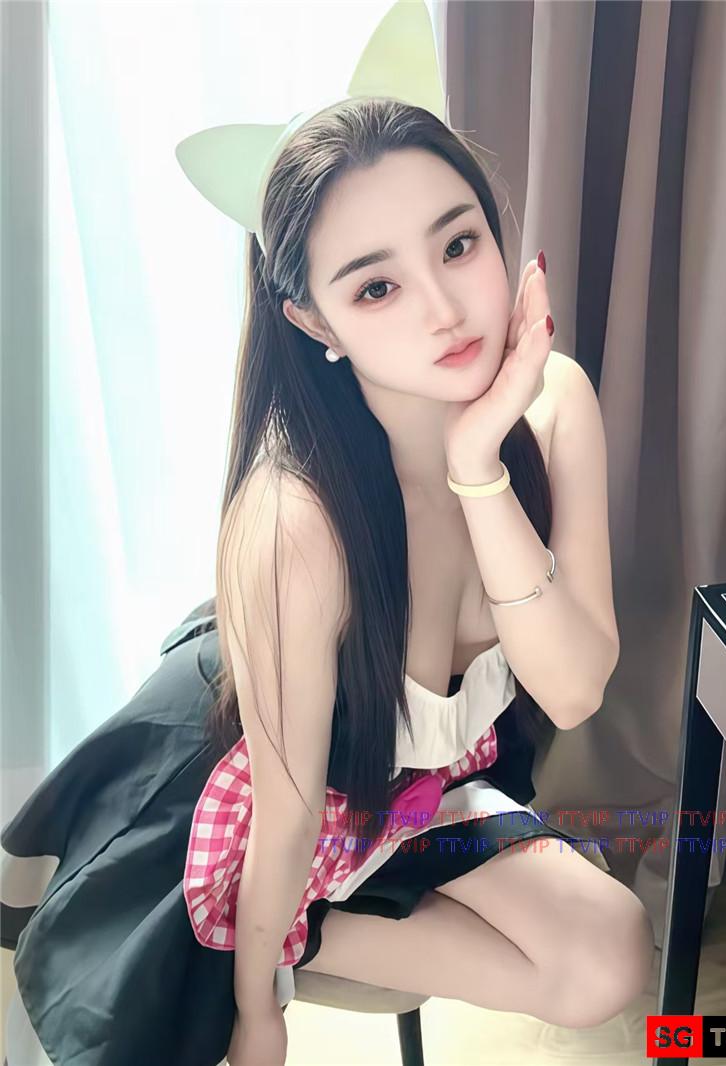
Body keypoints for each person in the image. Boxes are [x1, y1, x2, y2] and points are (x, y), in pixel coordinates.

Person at [2, 10, 655, 1066]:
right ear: (313, 321)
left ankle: (291, 941)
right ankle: (233, 945)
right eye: (376, 286)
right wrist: (259, 1012)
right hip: (257, 803)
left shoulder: (551, 404)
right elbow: (292, 807)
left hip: (413, 793)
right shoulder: (292, 521)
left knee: (610, 953)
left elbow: (573, 690)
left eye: (459, 243)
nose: (445, 309)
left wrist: (478, 467)